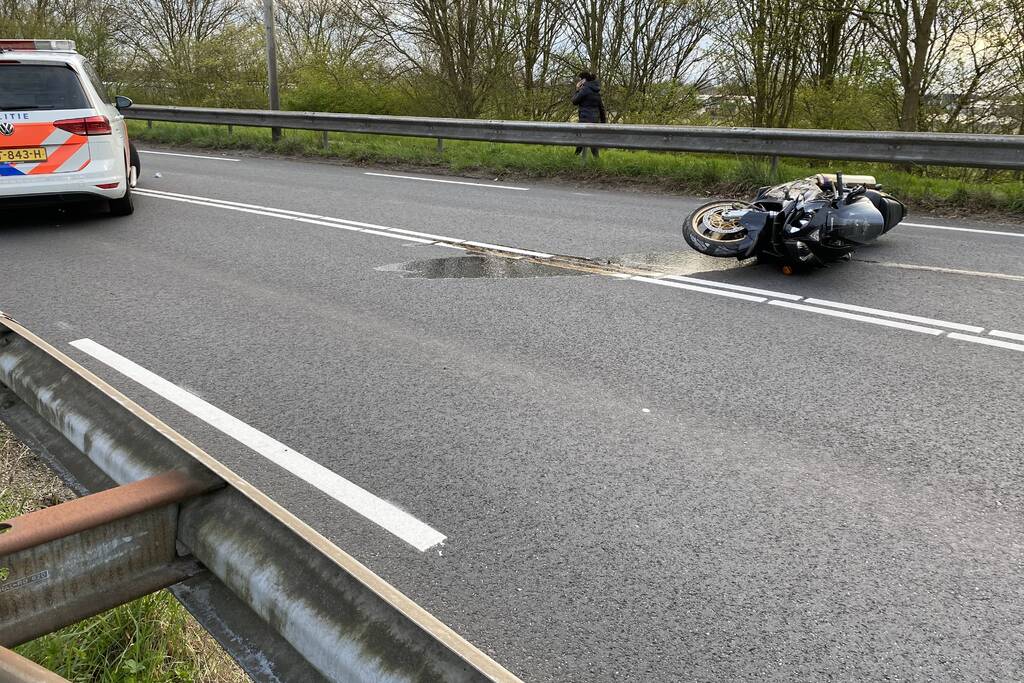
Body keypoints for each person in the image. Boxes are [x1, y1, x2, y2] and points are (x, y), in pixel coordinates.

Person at [572, 71, 606, 158]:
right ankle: (596, 160)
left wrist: (577, 89)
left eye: (580, 79)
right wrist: (603, 122)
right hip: (595, 120)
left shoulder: (585, 89)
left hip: (585, 119)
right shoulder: (596, 91)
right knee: (591, 140)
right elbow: (601, 108)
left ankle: (575, 157)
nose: (578, 81)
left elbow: (574, 101)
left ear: (583, 80)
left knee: (581, 139)